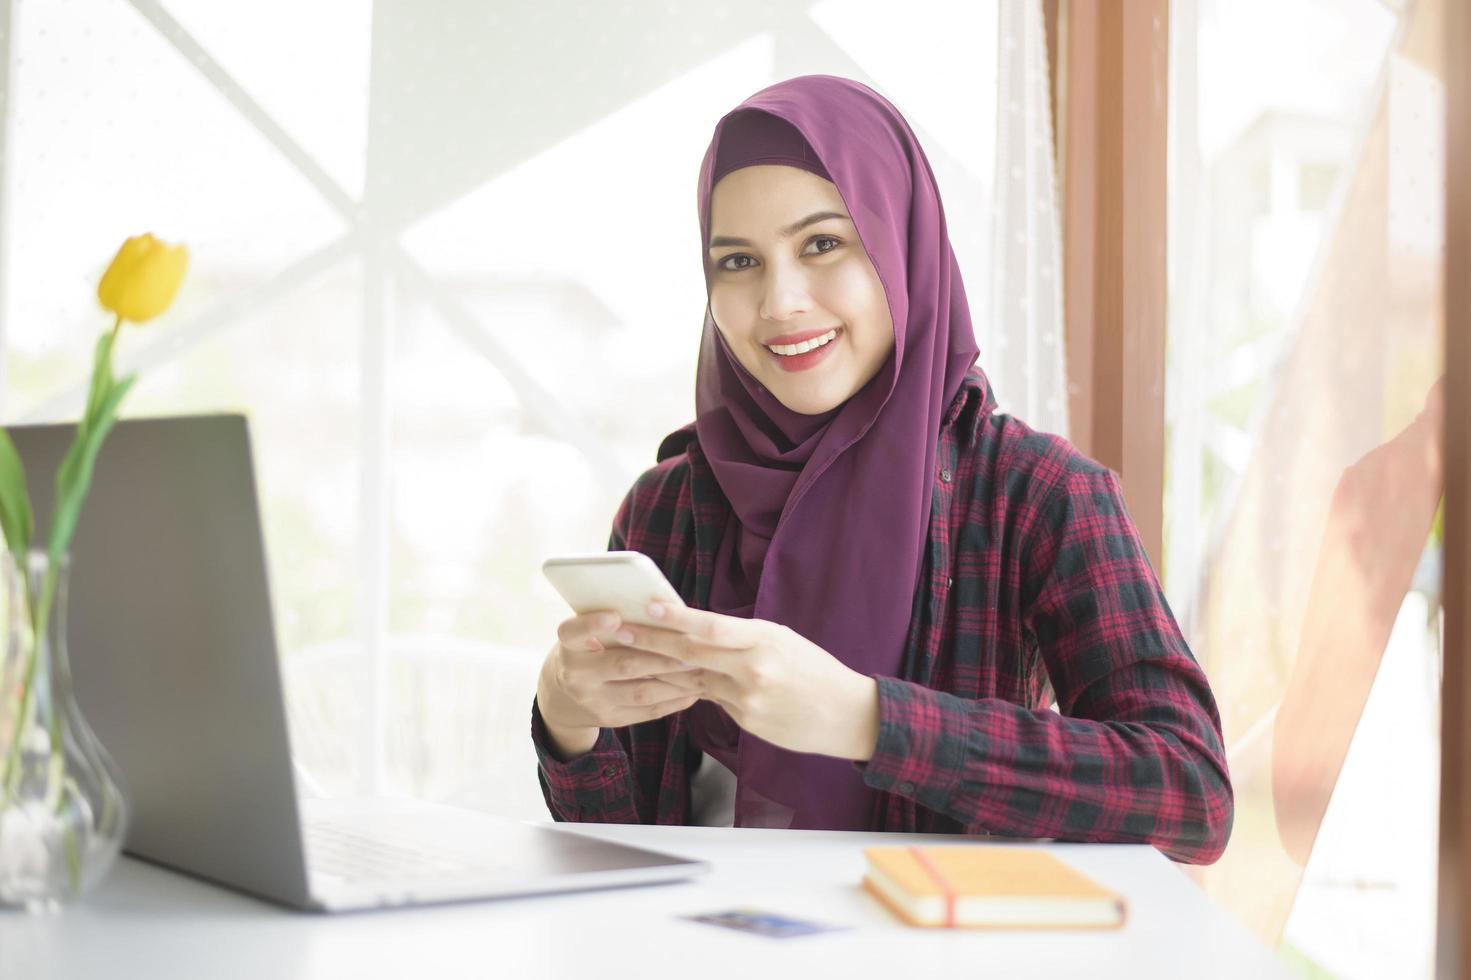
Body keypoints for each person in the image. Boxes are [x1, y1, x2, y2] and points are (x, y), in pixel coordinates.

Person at [530, 74, 1233, 864]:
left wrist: (866, 720)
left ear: (900, 242)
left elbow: (1189, 794)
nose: (780, 301)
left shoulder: (1032, 494)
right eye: (737, 261)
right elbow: (615, 840)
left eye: (823, 244)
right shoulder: (668, 508)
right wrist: (565, 715)